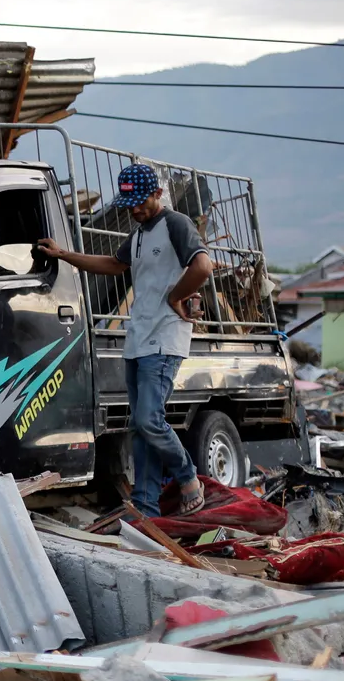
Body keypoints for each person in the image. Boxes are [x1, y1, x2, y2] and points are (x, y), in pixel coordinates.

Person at [37, 164, 214, 517]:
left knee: (150, 419)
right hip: (139, 341)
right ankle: (147, 508)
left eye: (140, 202)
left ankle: (188, 477)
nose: (134, 209)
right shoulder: (139, 235)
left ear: (157, 195)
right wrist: (64, 255)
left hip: (164, 340)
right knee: (140, 428)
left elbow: (203, 267)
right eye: (129, 203)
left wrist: (176, 297)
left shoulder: (175, 224)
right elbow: (113, 264)